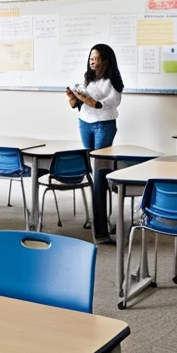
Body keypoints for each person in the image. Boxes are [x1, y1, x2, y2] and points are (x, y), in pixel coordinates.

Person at [65, 44, 124, 244]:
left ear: (105, 60)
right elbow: (81, 104)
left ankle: (101, 232)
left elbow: (107, 103)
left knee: (99, 175)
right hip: (85, 124)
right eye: (91, 57)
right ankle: (100, 219)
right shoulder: (87, 78)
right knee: (93, 174)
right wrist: (74, 99)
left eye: (96, 57)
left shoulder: (112, 81)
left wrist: (89, 101)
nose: (92, 60)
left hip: (104, 126)